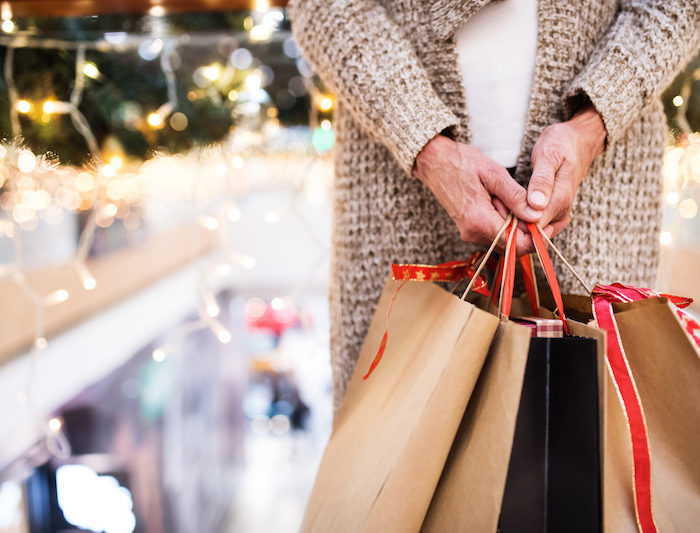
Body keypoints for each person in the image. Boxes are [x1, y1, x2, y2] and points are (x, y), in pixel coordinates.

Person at [288, 0, 700, 411]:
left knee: (588, 439)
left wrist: (594, 122)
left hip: (600, 184)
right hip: (399, 186)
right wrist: (423, 142)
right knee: (391, 443)